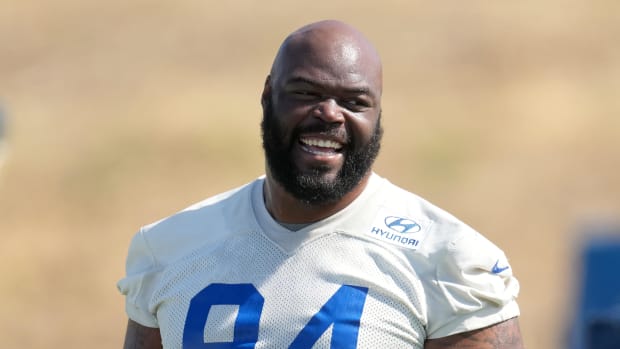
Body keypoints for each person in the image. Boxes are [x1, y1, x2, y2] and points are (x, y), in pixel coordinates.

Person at [118, 20, 524, 348]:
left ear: (378, 116)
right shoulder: (169, 249)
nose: (330, 114)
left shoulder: (448, 261)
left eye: (354, 102)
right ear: (267, 96)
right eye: (306, 92)